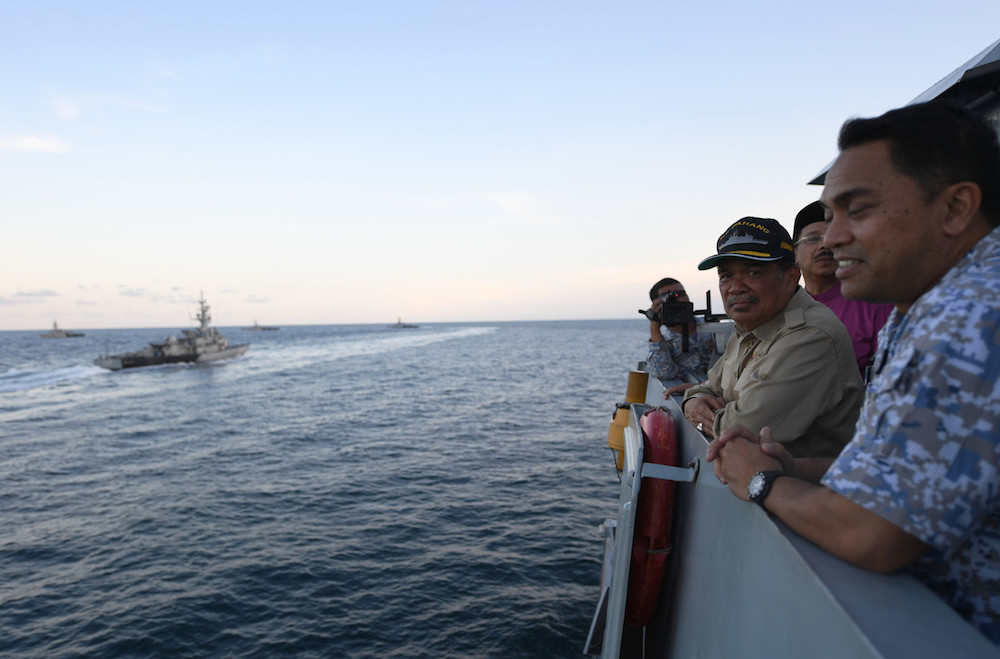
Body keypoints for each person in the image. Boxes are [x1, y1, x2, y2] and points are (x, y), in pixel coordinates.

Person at [707, 102, 1000, 643]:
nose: (831, 237)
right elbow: (895, 464)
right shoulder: (916, 311)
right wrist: (797, 466)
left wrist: (761, 479)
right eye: (829, 215)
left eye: (856, 210)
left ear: (956, 207)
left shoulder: (971, 318)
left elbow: (876, 535)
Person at [680, 217, 863, 457]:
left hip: (807, 489)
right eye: (726, 276)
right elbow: (707, 387)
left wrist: (701, 415)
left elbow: (744, 429)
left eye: (753, 272)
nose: (735, 287)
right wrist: (692, 402)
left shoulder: (810, 336)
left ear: (790, 277)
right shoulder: (752, 326)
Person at [793, 200, 892, 377]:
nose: (824, 246)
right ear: (795, 255)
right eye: (813, 239)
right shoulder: (786, 308)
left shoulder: (874, 303)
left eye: (830, 236)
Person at [644, 278, 715, 388]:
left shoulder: (714, 329)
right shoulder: (664, 343)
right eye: (670, 297)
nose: (678, 300)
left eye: (681, 294)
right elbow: (663, 373)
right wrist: (654, 325)